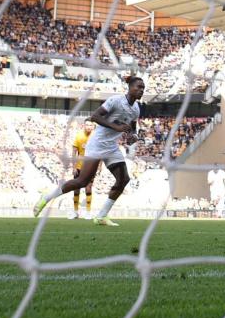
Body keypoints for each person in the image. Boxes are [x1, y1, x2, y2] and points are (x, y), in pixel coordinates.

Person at [34, 76, 145, 226]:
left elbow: (132, 128)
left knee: (124, 179)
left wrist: (133, 136)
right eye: (138, 87)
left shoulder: (136, 109)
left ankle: (101, 216)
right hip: (97, 144)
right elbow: (94, 117)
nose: (141, 90)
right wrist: (117, 127)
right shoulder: (116, 100)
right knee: (82, 181)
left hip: (111, 146)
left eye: (143, 88)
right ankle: (46, 197)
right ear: (130, 87)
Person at [69, 121, 97, 219]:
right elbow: (74, 152)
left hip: (91, 166)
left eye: (91, 125)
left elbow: (100, 152)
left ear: (93, 127)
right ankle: (75, 212)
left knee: (88, 188)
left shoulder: (96, 137)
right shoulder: (79, 136)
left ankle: (88, 212)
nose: (89, 127)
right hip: (79, 166)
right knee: (76, 188)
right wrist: (73, 167)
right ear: (84, 125)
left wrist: (100, 165)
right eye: (87, 125)